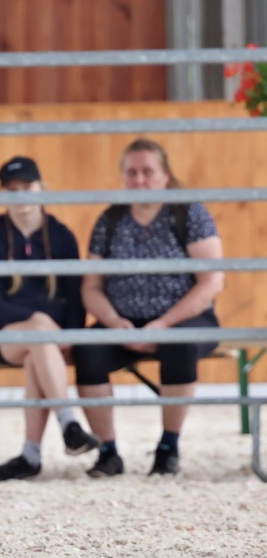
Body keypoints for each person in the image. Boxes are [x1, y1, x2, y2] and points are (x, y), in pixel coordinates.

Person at [73, 138, 224, 478]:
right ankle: (108, 452)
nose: (139, 179)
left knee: (180, 346)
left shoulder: (189, 213)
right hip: (122, 321)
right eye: (132, 172)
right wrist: (112, 321)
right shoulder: (110, 219)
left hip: (184, 318)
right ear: (123, 176)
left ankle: (168, 447)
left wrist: (165, 323)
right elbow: (92, 287)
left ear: (165, 175)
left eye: (147, 172)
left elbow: (211, 282)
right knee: (87, 351)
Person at [0, 156, 99, 482]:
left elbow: (74, 297)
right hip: (6, 335)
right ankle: (68, 423)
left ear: (41, 188)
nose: (21, 196)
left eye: (27, 187)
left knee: (37, 352)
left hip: (54, 339)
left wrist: (66, 333)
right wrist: (40, 319)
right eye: (11, 189)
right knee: (38, 334)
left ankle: (30, 455)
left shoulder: (61, 236)